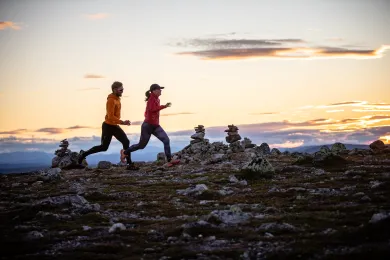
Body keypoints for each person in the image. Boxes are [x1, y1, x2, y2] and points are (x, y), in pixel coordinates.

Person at [78, 81, 139, 170]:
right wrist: (122, 122)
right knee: (104, 147)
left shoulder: (117, 99)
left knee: (126, 142)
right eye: (121, 90)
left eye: (123, 89)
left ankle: (129, 164)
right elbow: (110, 116)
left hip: (114, 126)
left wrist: (120, 122)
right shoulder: (111, 100)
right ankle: (83, 154)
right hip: (108, 126)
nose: (122, 91)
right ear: (114, 90)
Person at [121, 83, 180, 166]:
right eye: (159, 89)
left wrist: (163, 106)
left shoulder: (157, 99)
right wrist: (164, 106)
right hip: (147, 126)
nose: (161, 91)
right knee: (141, 145)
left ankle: (169, 160)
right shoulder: (151, 99)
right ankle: (125, 152)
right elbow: (152, 109)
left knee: (166, 140)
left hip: (155, 125)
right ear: (154, 91)